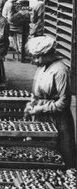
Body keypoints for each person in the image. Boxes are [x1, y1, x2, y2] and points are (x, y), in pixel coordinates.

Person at [24, 36, 76, 168]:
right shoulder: (42, 67)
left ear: (48, 54)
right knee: (43, 154)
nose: (35, 61)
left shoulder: (60, 71)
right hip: (41, 117)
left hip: (58, 119)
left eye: (37, 57)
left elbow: (64, 102)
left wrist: (40, 109)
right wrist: (31, 104)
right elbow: (36, 92)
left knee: (62, 155)